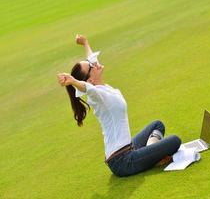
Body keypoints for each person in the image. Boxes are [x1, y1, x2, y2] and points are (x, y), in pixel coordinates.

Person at [57, 34, 181, 177]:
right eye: (91, 65)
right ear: (90, 80)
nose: (94, 62)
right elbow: (87, 88)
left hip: (128, 149)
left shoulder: (102, 87)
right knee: (174, 141)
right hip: (122, 162)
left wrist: (85, 43)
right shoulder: (97, 95)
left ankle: (151, 154)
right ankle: (153, 156)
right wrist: (73, 81)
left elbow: (91, 62)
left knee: (157, 125)